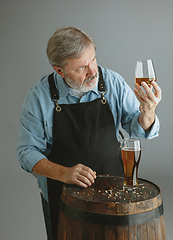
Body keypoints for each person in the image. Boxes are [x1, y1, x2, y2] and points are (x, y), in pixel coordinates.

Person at [16, 27, 161, 240]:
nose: (93, 71)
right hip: (64, 196)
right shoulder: (39, 96)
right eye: (82, 67)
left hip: (115, 192)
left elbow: (136, 127)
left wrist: (148, 113)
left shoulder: (112, 81)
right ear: (59, 70)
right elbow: (26, 152)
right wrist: (64, 173)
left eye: (93, 59)